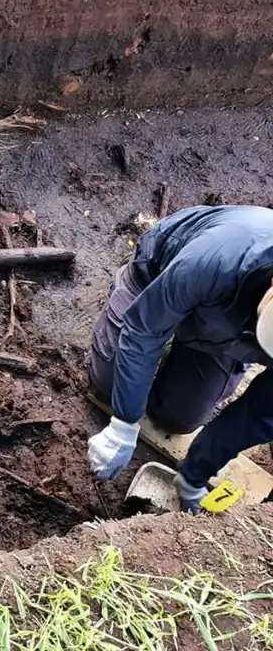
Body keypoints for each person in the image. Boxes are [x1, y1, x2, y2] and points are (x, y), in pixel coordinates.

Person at [86, 204, 273, 511]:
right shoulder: (216, 260)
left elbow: (260, 414)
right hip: (158, 276)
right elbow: (144, 329)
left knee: (179, 419)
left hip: (221, 332)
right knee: (107, 386)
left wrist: (195, 476)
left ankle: (183, 351)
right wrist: (123, 425)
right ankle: (127, 301)